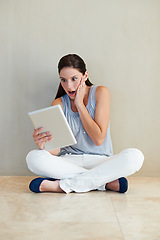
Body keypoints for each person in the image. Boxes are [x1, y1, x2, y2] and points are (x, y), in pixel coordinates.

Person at [26, 54, 144, 194]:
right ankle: (103, 182)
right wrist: (43, 145)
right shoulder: (58, 104)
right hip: (69, 161)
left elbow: (98, 139)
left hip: (101, 161)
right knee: (33, 158)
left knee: (135, 156)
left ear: (85, 75)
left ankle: (61, 186)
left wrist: (80, 105)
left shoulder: (101, 92)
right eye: (63, 80)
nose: (69, 86)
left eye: (74, 79)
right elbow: (56, 151)